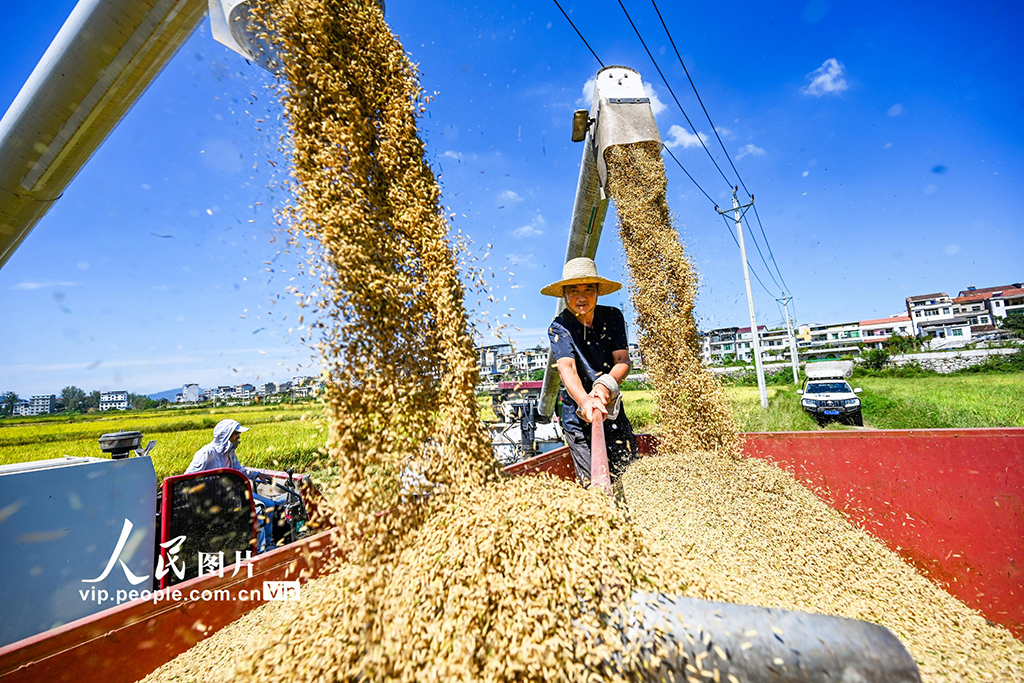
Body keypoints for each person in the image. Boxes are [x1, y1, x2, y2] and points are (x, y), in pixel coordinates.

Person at [543, 257, 637, 485]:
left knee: (629, 473)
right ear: (564, 294)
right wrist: (585, 400)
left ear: (598, 292)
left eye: (588, 289)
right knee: (592, 482)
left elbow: (622, 360)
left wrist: (605, 386)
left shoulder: (613, 317)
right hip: (578, 411)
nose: (581, 297)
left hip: (610, 407)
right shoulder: (559, 327)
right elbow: (568, 368)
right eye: (573, 290)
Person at [184, 419, 277, 553]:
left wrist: (257, 475)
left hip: (232, 493)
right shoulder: (206, 454)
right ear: (225, 435)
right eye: (236, 434)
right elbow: (188, 478)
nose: (238, 437)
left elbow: (238, 469)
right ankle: (260, 550)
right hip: (214, 498)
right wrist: (209, 482)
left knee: (269, 504)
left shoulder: (230, 451)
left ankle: (268, 542)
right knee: (257, 509)